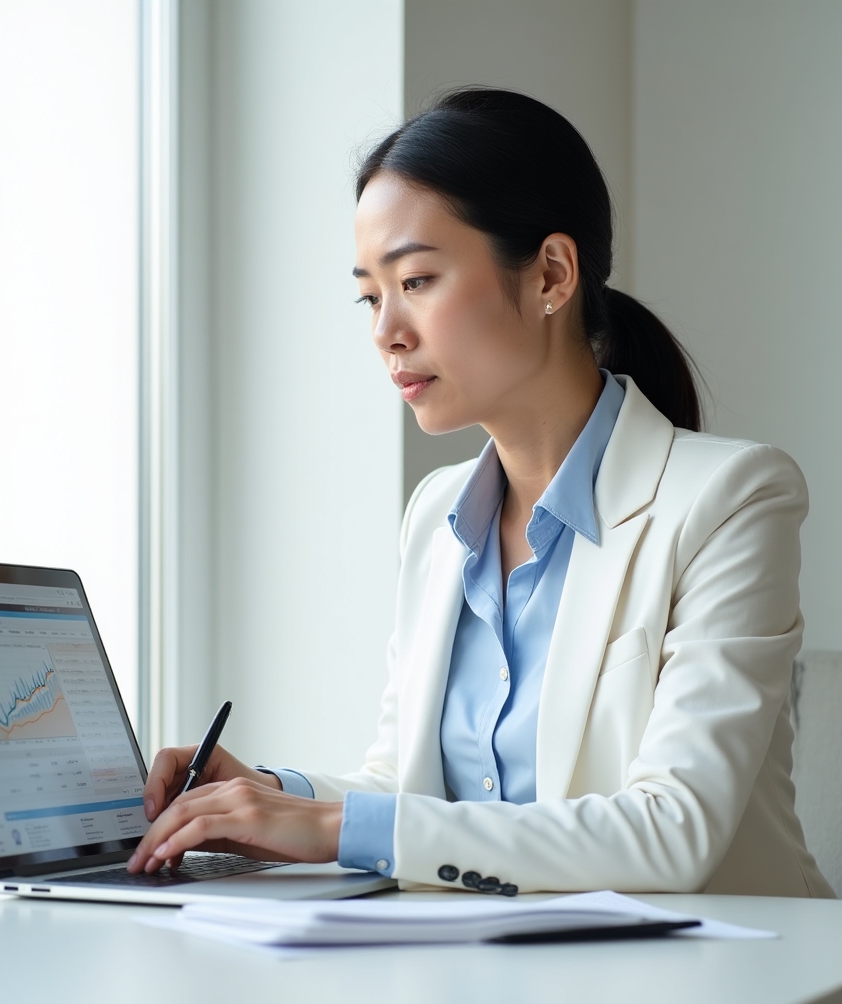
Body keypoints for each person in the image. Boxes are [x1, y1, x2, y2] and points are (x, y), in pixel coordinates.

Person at [127, 88, 832, 897]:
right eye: (369, 294)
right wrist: (264, 797)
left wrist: (331, 829)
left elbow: (672, 830)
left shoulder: (732, 498)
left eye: (417, 280)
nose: (386, 330)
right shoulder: (438, 515)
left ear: (551, 276)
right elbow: (408, 789)